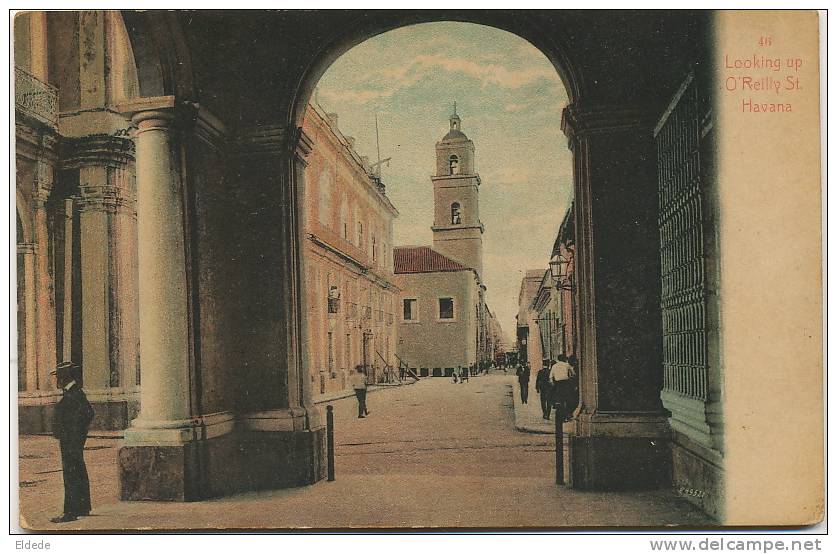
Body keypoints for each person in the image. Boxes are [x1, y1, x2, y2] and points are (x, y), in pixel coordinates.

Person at [50, 362, 94, 523]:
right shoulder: (73, 392)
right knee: (78, 471)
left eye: (58, 377)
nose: (56, 380)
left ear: (64, 377)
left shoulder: (74, 393)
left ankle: (70, 512)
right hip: (71, 441)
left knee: (70, 474)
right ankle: (83, 507)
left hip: (71, 442)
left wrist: (74, 434)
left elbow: (87, 413)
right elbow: (87, 413)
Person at [549, 355, 574, 422]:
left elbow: (550, 377)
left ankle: (561, 416)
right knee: (567, 399)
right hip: (566, 383)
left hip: (558, 384)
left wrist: (553, 384)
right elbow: (573, 374)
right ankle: (566, 415)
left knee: (559, 400)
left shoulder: (554, 366)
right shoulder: (567, 365)